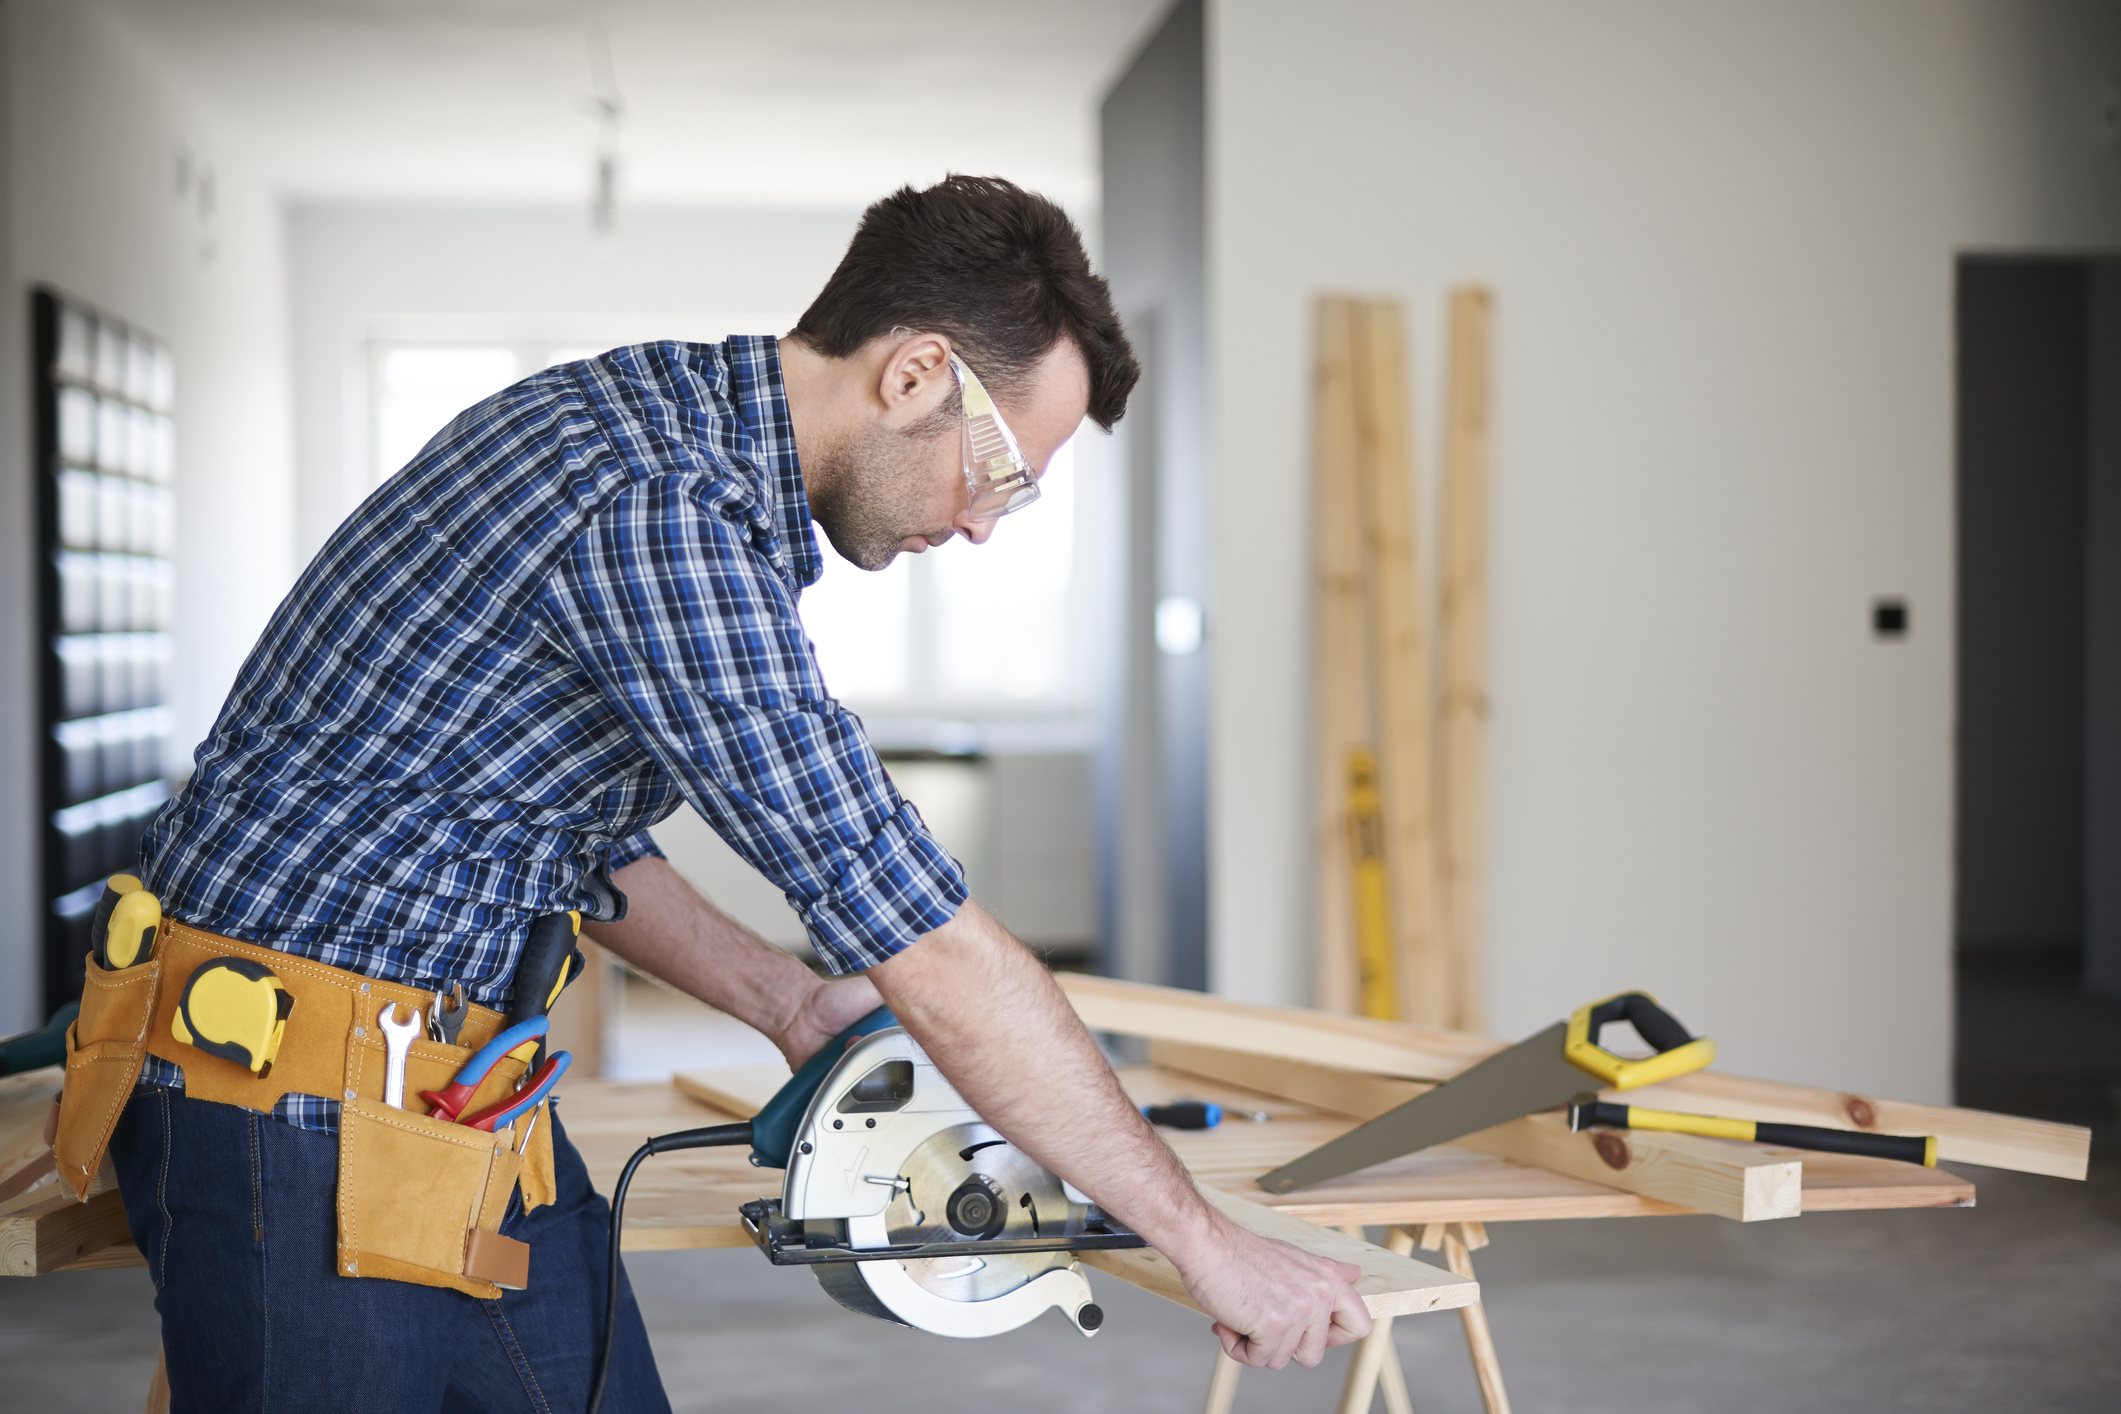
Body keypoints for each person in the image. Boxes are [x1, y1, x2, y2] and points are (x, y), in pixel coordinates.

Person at [101, 175, 1371, 1411]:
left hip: (451, 1092)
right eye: (1001, 472)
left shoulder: (670, 431)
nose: (988, 523)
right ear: (916, 371)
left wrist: (793, 1005)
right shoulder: (661, 509)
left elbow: (566, 834)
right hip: (291, 1109)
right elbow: (909, 920)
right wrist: (1209, 1246)